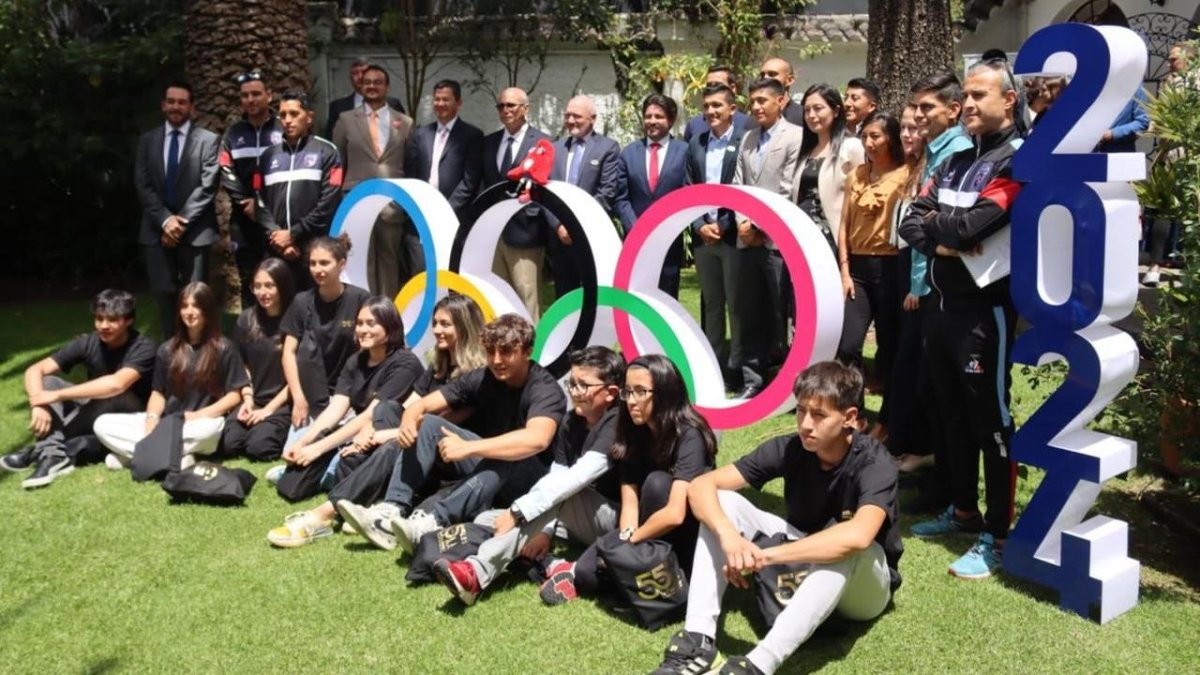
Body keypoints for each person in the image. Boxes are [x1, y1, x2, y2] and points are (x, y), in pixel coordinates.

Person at [650, 361, 901, 675]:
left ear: (850, 418)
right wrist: (730, 538)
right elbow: (702, 485)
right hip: (803, 553)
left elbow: (859, 536)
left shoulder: (876, 463)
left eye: (819, 415)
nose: (806, 424)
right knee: (723, 501)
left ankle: (758, 665)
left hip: (865, 585)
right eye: (801, 411)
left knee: (845, 545)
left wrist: (763, 557)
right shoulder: (790, 448)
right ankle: (698, 639)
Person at [899, 59, 1023, 579]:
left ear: (1008, 102)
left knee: (989, 422)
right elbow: (910, 221)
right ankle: (963, 510)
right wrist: (953, 238)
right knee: (948, 413)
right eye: (966, 96)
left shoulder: (1017, 159)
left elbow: (979, 222)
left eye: (979, 96)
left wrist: (949, 231)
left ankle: (997, 536)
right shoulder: (953, 162)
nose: (968, 105)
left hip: (983, 314)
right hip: (941, 308)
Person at [266, 292, 488, 547]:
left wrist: (380, 435)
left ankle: (322, 516)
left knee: (398, 441)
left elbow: (434, 426)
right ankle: (372, 503)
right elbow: (406, 408)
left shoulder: (476, 375)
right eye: (435, 323)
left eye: (445, 324)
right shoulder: (437, 366)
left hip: (456, 455)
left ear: (465, 326)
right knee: (387, 410)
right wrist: (368, 431)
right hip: (421, 449)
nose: (437, 330)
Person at [338, 314, 566, 552]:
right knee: (428, 424)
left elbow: (537, 440)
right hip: (486, 470)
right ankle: (392, 509)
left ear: (528, 352)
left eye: (506, 352)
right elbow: (422, 405)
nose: (497, 360)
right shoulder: (484, 377)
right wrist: (407, 422)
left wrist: (469, 448)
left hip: (527, 483)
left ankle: (433, 522)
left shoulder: (544, 389)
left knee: (507, 454)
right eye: (490, 352)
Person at [431, 346, 626, 606]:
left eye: (583, 385)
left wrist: (519, 511)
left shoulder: (616, 423)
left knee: (546, 501)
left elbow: (576, 478)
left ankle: (475, 574)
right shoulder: (571, 422)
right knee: (488, 518)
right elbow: (558, 472)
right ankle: (554, 564)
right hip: (576, 517)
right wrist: (544, 532)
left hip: (614, 522)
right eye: (571, 383)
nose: (574, 392)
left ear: (611, 393)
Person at [539, 354, 717, 605]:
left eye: (641, 392)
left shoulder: (690, 435)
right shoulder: (632, 433)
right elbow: (630, 502)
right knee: (586, 575)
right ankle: (615, 573)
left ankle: (666, 573)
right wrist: (625, 536)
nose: (631, 401)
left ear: (665, 392)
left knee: (656, 484)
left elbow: (676, 513)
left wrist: (630, 542)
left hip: (686, 532)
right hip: (646, 527)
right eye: (628, 391)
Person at [273, 295, 424, 502]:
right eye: (360, 323)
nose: (363, 329)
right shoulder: (356, 360)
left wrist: (317, 449)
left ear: (390, 327)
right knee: (303, 442)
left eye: (371, 324)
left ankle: (331, 474)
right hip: (357, 429)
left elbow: (371, 414)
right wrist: (305, 442)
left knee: (341, 460)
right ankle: (322, 471)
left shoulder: (405, 363)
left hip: (387, 434)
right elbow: (336, 408)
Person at [898, 71, 973, 484]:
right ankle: (943, 476)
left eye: (928, 107)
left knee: (943, 388)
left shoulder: (956, 151)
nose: (919, 115)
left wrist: (923, 276)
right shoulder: (937, 149)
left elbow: (942, 222)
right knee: (931, 384)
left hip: (941, 286)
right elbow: (917, 220)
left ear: (953, 109)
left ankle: (948, 481)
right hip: (930, 277)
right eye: (918, 106)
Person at [1, 290, 156, 489]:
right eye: (99, 319)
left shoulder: (144, 347)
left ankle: (41, 451)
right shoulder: (89, 342)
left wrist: (54, 396)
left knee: (115, 393)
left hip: (131, 413)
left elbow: (116, 384)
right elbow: (35, 369)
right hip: (96, 407)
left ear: (128, 320)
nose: (104, 326)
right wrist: (37, 401)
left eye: (112, 320)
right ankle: (52, 453)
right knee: (47, 381)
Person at [94, 282, 246, 471]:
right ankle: (174, 456)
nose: (189, 312)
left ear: (207, 309)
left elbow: (234, 395)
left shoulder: (225, 348)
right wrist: (151, 420)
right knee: (102, 424)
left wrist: (198, 415)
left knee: (209, 432)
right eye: (184, 306)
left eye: (196, 306)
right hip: (167, 423)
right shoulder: (167, 349)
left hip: (201, 423)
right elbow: (158, 394)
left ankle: (139, 455)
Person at [733, 78, 805, 399]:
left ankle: (786, 378)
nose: (757, 106)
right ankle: (752, 377)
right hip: (747, 239)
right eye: (754, 101)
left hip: (777, 240)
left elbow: (788, 188)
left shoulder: (796, 136)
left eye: (764, 100)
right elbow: (738, 185)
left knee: (781, 312)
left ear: (782, 100)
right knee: (749, 309)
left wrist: (763, 229)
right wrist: (744, 224)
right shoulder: (748, 138)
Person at [276, 236, 371, 475]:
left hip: (348, 398)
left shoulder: (360, 299)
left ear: (341, 264)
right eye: (313, 263)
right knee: (293, 456)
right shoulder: (301, 302)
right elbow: (288, 352)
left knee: (339, 455)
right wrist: (298, 398)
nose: (317, 269)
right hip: (311, 397)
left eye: (324, 263)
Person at [134, 80, 220, 336]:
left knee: (196, 297)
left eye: (182, 102)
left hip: (194, 233)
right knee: (164, 295)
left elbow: (208, 186)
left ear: (191, 107)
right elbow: (143, 183)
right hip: (155, 230)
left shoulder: (208, 141)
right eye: (171, 101)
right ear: (163, 105)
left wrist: (179, 223)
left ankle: (198, 349)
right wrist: (165, 221)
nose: (176, 107)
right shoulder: (147, 141)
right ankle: (171, 351)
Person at [836, 112, 909, 412]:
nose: (869, 142)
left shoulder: (906, 174)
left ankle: (890, 417)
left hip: (892, 267)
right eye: (865, 136)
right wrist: (844, 269)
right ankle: (856, 413)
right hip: (858, 270)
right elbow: (843, 225)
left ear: (890, 137)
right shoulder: (857, 175)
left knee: (890, 346)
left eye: (876, 136)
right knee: (848, 345)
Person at [332, 63, 417, 300]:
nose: (372, 86)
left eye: (377, 82)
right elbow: (338, 162)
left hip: (392, 203)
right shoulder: (345, 119)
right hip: (356, 200)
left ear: (387, 87)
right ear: (360, 86)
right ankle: (364, 308)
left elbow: (411, 165)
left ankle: (387, 310)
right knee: (361, 257)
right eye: (367, 82)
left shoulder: (405, 122)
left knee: (390, 259)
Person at [685, 83, 749, 389]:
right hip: (703, 236)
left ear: (732, 109)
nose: (711, 111)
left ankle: (736, 367)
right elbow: (689, 188)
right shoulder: (696, 143)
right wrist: (699, 224)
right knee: (711, 304)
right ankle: (712, 364)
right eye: (707, 106)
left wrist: (724, 224)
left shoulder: (743, 140)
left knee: (736, 303)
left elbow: (742, 188)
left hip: (731, 234)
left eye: (717, 106)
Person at [256, 92, 344, 288]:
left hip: (312, 250)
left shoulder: (328, 152)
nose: (287, 120)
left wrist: (294, 234)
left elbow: (328, 202)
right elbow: (259, 201)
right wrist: (278, 237)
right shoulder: (267, 156)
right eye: (283, 115)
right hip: (276, 248)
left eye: (294, 114)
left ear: (309, 117)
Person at [479, 87, 552, 320]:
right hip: (493, 235)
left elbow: (547, 187)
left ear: (525, 109)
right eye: (501, 106)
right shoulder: (488, 143)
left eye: (511, 105)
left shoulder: (543, 142)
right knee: (497, 297)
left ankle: (534, 353)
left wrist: (532, 214)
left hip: (525, 233)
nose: (505, 110)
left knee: (527, 298)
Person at [884, 105, 930, 464]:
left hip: (919, 278)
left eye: (915, 128)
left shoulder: (934, 168)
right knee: (901, 360)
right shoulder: (910, 169)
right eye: (905, 129)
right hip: (899, 266)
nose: (907, 135)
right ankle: (899, 439)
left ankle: (916, 446)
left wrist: (917, 286)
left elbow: (922, 237)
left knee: (912, 364)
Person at [546, 94, 621, 299]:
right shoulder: (555, 148)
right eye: (567, 115)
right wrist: (558, 225)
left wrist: (575, 224)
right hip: (560, 238)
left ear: (593, 118)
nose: (571, 121)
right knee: (564, 296)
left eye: (577, 116)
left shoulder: (607, 148)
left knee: (594, 297)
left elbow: (606, 193)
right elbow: (544, 191)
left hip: (590, 236)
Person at [220, 258, 295, 461]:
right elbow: (240, 363)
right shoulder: (246, 319)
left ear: (282, 286)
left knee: (259, 448)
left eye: (270, 285)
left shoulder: (296, 320)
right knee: (229, 445)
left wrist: (269, 411)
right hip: (252, 397)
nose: (263, 292)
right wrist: (248, 399)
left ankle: (274, 432)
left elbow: (299, 377)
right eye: (258, 286)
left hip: (283, 402)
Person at [219, 71, 283, 309]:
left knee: (277, 274)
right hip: (243, 217)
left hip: (276, 215)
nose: (251, 100)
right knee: (248, 276)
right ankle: (250, 330)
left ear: (269, 95)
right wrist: (245, 202)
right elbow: (225, 168)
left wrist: (263, 206)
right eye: (245, 95)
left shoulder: (282, 129)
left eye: (256, 94)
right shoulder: (233, 133)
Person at [615, 94, 690, 297]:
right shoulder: (629, 152)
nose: (652, 121)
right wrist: (636, 227)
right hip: (635, 239)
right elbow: (621, 197)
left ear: (671, 120)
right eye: (648, 116)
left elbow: (687, 195)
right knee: (634, 296)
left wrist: (667, 226)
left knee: (666, 296)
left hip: (668, 239)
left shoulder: (684, 151)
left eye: (659, 116)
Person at [789, 84, 865, 258]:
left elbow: (860, 199)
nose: (811, 115)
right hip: (802, 237)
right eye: (807, 110)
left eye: (818, 108)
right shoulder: (807, 151)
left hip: (833, 239)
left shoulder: (851, 147)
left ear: (836, 110)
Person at [404, 79, 483, 223]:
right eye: (437, 99)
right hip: (421, 212)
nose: (440, 104)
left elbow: (470, 181)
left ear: (459, 103)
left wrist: (447, 210)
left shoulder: (472, 135)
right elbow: (411, 172)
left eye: (445, 100)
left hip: (454, 215)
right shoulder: (421, 133)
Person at [324, 56, 404, 139]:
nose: (360, 77)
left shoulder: (393, 104)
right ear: (350, 78)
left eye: (363, 72)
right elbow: (331, 140)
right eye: (355, 73)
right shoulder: (338, 107)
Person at [683, 64, 752, 141]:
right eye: (709, 85)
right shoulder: (695, 125)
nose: (713, 89)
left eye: (718, 85)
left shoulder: (748, 124)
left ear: (733, 88)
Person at [757, 57, 806, 126]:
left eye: (772, 74)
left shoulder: (804, 117)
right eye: (762, 75)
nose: (765, 78)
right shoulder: (755, 119)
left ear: (789, 80)